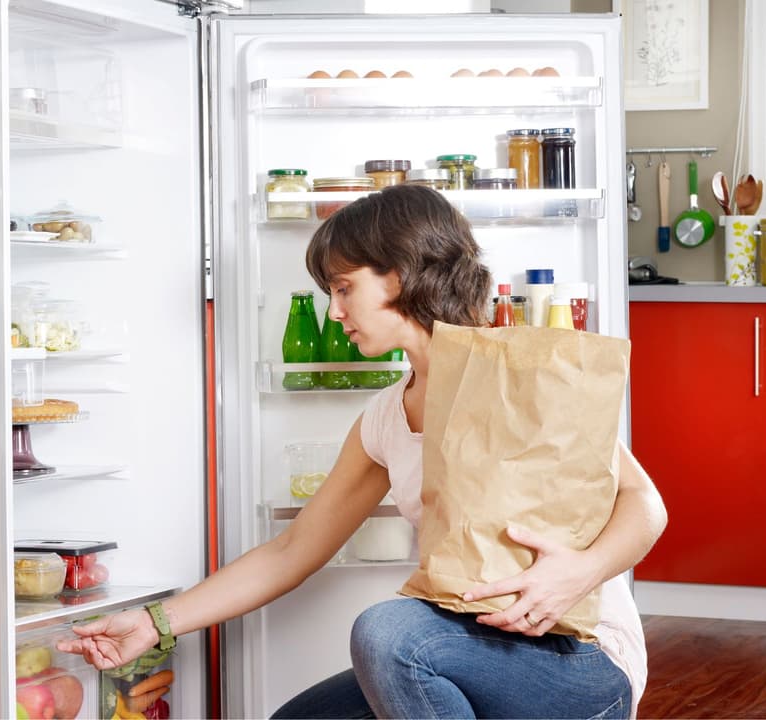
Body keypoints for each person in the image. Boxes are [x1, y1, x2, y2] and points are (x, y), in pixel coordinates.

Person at [57, 184, 667, 719]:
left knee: (388, 633)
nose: (335, 311)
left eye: (345, 288)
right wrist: (154, 623)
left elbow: (645, 503)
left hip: (578, 660)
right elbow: (292, 551)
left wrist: (580, 571)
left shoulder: (520, 374)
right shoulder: (384, 419)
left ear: (399, 275)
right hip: (467, 650)